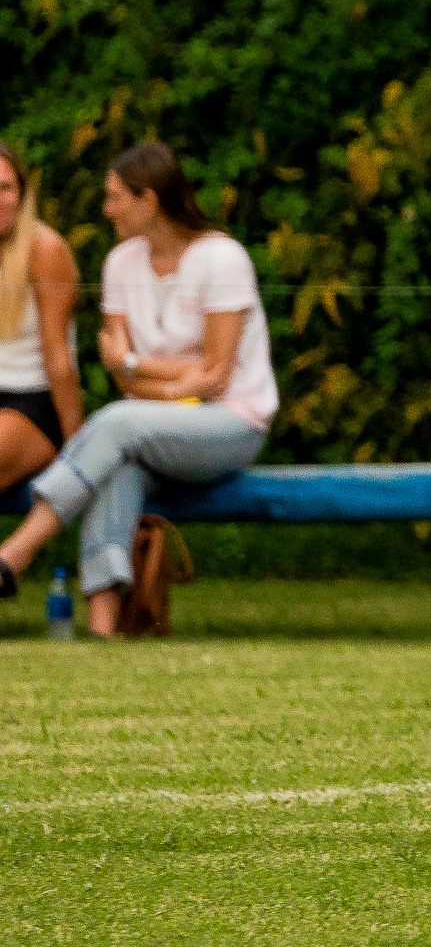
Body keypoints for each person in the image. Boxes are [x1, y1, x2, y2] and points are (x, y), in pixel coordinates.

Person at [0, 141, 276, 636]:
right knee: (117, 462)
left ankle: (16, 553)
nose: (105, 210)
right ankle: (105, 630)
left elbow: (215, 377)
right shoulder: (121, 264)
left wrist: (139, 369)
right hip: (146, 425)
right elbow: (124, 377)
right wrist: (152, 375)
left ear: (148, 200)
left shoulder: (222, 258)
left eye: (114, 198)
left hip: (231, 424)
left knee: (117, 423)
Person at [0, 142, 82, 540]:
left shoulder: (44, 248)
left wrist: (77, 451)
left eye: (6, 187)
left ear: (22, 193)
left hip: (33, 404)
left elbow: (57, 354)